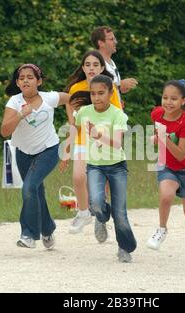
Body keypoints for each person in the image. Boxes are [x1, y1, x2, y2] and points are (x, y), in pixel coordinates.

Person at [0, 63, 70, 250]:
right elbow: (5, 131)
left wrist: (74, 122)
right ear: (17, 82)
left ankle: (28, 234)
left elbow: (72, 99)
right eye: (21, 78)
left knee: (29, 188)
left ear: (38, 81)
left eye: (30, 77)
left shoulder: (50, 98)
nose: (25, 80)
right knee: (36, 192)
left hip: (49, 150)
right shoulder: (14, 102)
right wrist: (21, 115)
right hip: (23, 154)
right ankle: (47, 229)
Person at [146, 79, 185, 271]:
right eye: (165, 97)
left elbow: (181, 154)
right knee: (166, 195)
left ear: (183, 100)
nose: (168, 102)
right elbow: (161, 139)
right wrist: (157, 139)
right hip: (167, 167)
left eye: (173, 98)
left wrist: (163, 138)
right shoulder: (157, 114)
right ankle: (162, 229)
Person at [75, 74, 137, 262]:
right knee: (95, 202)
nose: (97, 97)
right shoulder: (85, 112)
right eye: (93, 94)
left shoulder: (118, 114)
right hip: (94, 166)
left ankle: (125, 247)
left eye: (101, 93)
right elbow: (76, 125)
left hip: (117, 166)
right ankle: (101, 217)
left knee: (120, 212)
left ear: (111, 93)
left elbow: (117, 143)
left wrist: (96, 135)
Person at [61, 50, 122, 234]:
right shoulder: (75, 89)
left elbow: (117, 115)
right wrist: (66, 148)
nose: (91, 68)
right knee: (79, 177)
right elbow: (72, 122)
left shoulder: (110, 87)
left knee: (99, 187)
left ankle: (101, 218)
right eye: (87, 65)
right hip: (81, 140)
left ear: (102, 68)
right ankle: (83, 212)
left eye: (95, 64)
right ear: (83, 68)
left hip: (102, 141)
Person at [91, 26, 138, 102]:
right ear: (101, 43)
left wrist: (119, 94)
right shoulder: (95, 63)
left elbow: (111, 89)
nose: (116, 42)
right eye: (111, 39)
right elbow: (94, 89)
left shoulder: (111, 62)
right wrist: (119, 86)